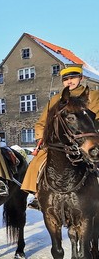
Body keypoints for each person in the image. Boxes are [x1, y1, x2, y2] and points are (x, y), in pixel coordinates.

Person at [21, 66, 99, 208]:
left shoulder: (93, 95)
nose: (70, 81)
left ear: (80, 78)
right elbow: (41, 122)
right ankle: (38, 194)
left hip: (87, 138)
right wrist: (41, 138)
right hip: (61, 144)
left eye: (73, 78)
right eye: (66, 79)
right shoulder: (56, 99)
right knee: (37, 162)